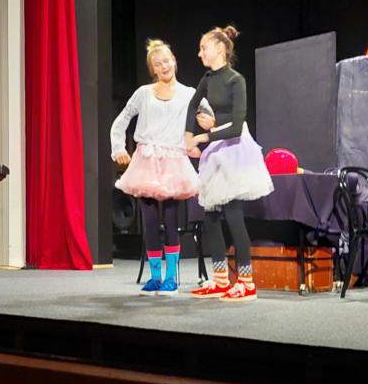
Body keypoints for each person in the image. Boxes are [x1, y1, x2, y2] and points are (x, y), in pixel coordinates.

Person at [184, 25, 274, 302]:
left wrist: (203, 136)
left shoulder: (236, 80)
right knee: (210, 217)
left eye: (204, 48)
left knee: (233, 214)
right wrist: (188, 137)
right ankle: (221, 279)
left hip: (234, 147)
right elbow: (192, 105)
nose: (199, 53)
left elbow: (235, 127)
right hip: (215, 147)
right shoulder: (208, 78)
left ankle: (246, 282)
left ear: (219, 49)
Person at [111, 40, 200, 295]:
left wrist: (202, 134)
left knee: (171, 220)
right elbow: (121, 120)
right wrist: (118, 148)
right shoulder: (144, 93)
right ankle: (155, 276)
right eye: (158, 63)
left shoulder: (188, 93)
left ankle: (171, 276)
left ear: (174, 61)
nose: (164, 66)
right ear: (153, 69)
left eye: (166, 60)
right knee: (149, 222)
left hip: (173, 161)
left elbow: (208, 115)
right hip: (147, 160)